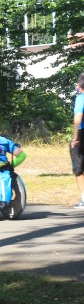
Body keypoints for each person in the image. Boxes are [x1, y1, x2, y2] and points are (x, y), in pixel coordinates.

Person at [71, 73, 84, 209]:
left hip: (82, 133)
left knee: (78, 167)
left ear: (80, 86)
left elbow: (79, 115)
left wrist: (75, 136)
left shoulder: (81, 98)